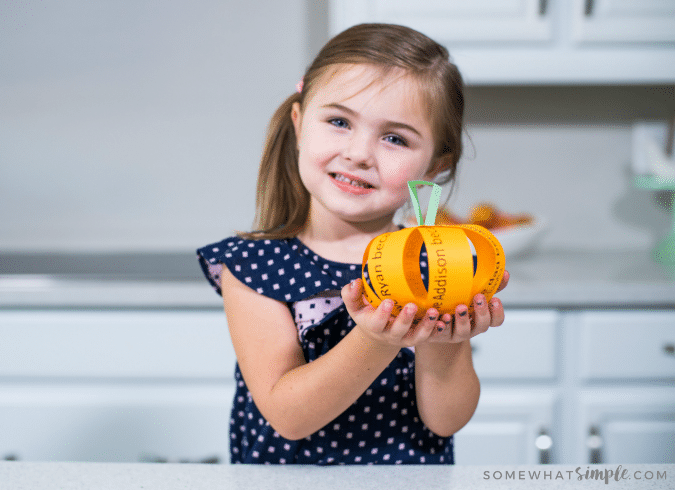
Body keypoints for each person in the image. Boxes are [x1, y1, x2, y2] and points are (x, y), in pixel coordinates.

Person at [197, 23, 509, 465]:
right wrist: (378, 339)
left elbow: (446, 421)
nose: (360, 153)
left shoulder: (435, 265)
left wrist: (446, 343)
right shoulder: (253, 267)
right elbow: (288, 416)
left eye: (395, 138)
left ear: (436, 164)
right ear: (300, 122)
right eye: (339, 121)